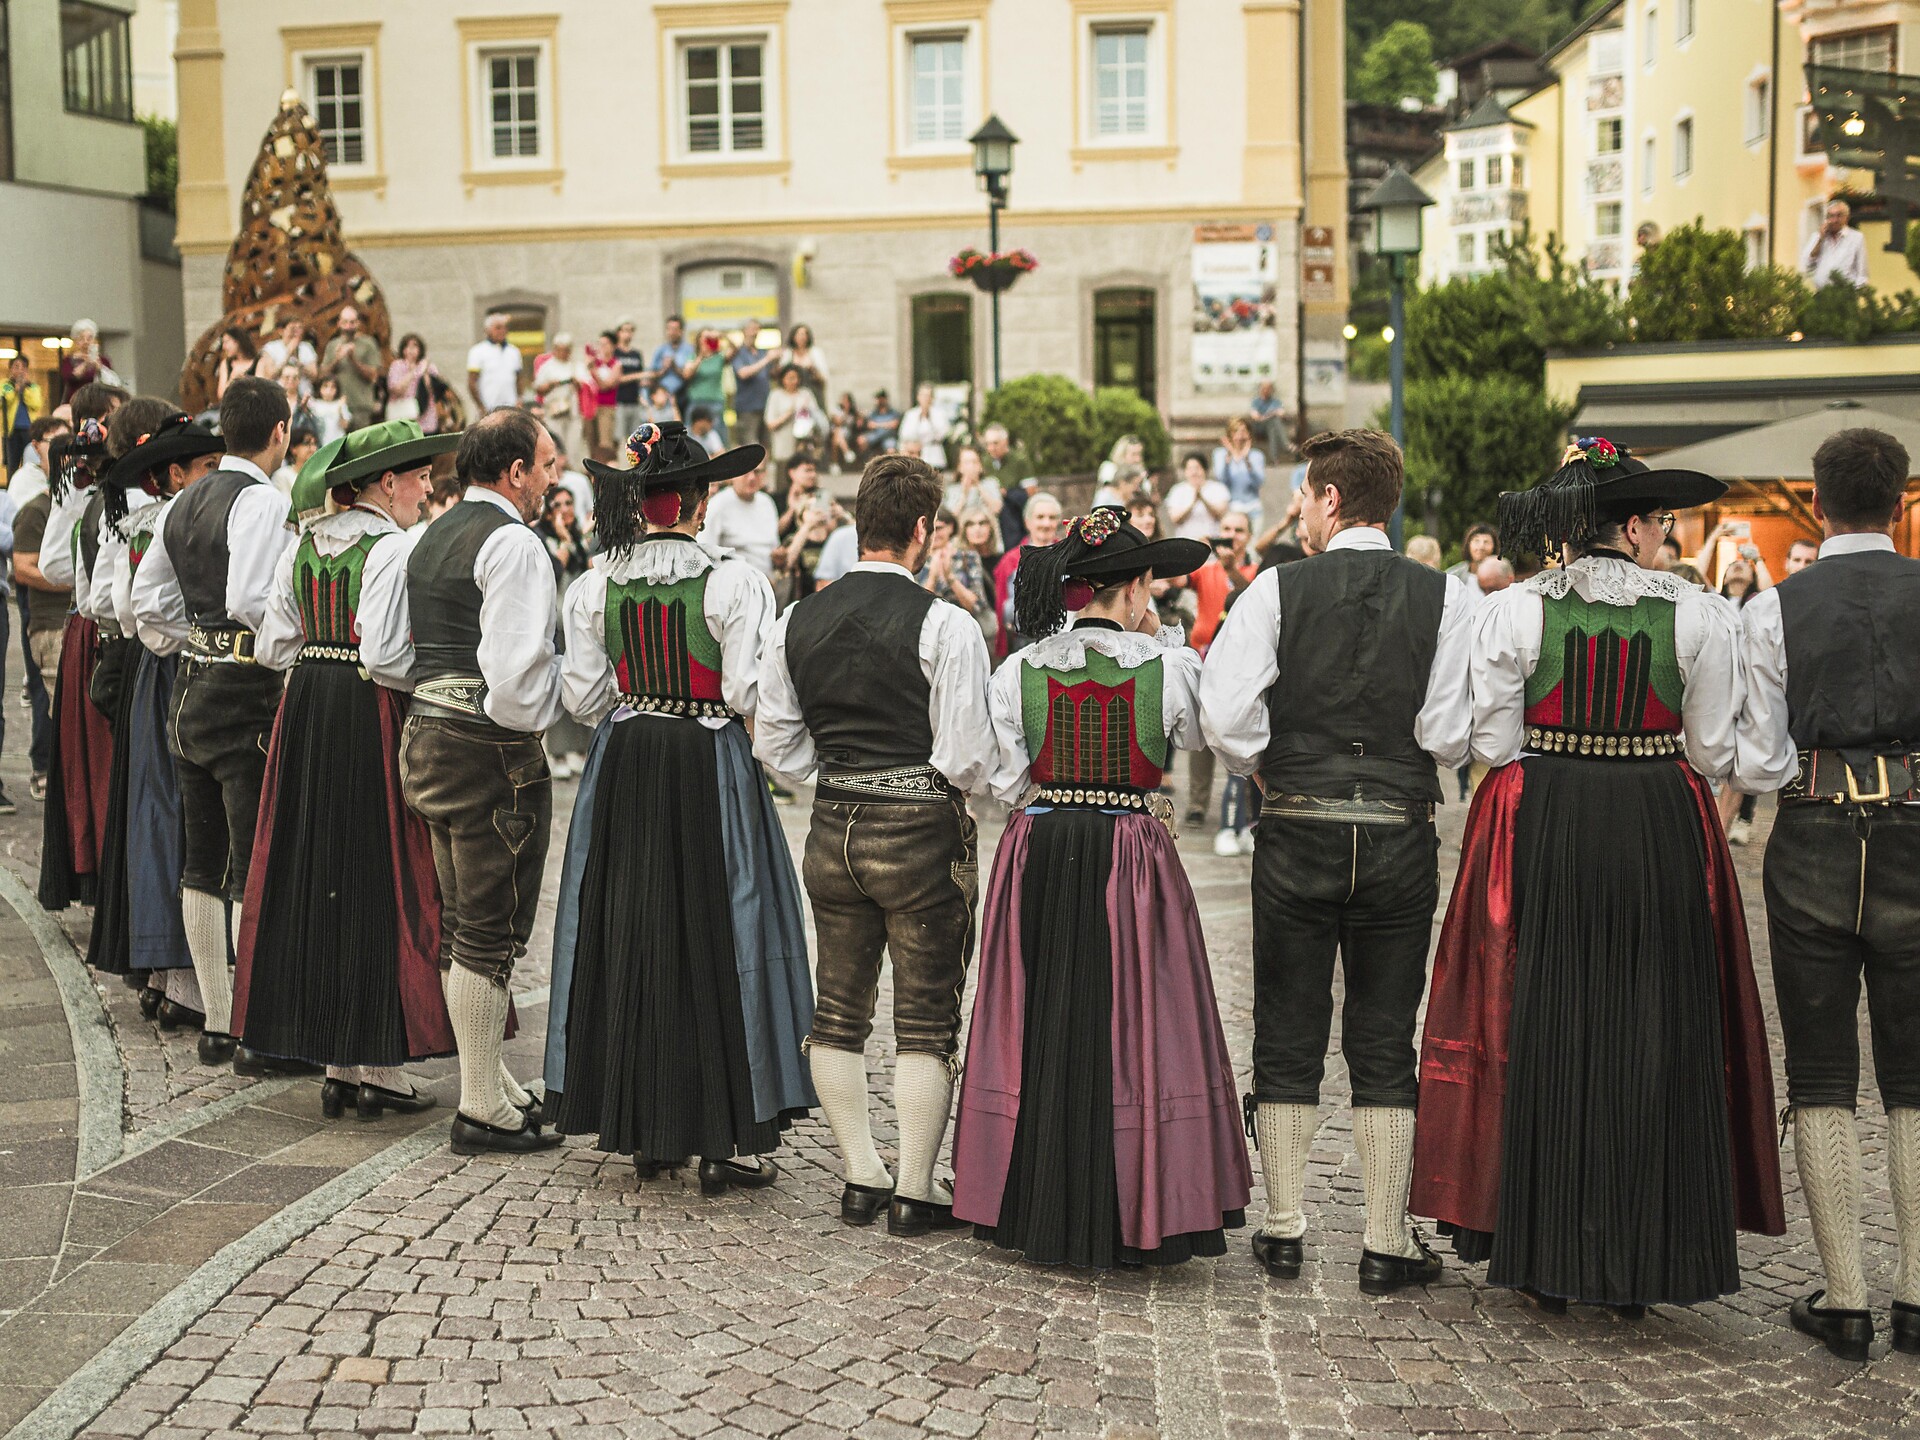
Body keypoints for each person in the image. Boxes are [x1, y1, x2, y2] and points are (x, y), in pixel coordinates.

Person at [1412, 436, 1785, 1315]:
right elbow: (1712, 750)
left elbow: (1493, 745)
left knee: (1550, 1018)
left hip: (1552, 821)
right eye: (1660, 522)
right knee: (1652, 1025)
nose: (1663, 537)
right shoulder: (1698, 615)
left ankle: (1544, 1250)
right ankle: (1642, 1257)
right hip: (1658, 819)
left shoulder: (1514, 611)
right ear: (1636, 526)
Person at [1201, 428, 1473, 1296]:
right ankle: (1387, 1239)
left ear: (1327, 499)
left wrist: (1270, 766)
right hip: (1396, 828)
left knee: (1287, 1022)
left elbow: (1228, 716)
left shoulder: (1276, 588)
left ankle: (1284, 1228)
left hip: (1298, 826)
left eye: (1305, 500)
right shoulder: (1448, 597)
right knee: (1385, 1033)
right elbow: (1447, 734)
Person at [953, 507, 1251, 1268]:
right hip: (1132, 852)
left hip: (1043, 844)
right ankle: (1140, 1198)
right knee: (1138, 1017)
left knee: (1042, 1008)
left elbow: (1005, 777)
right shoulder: (1170, 666)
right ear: (1137, 586)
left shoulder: (1020, 668)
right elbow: (1210, 735)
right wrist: (1160, 648)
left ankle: (1035, 1188)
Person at [543, 421, 816, 1190]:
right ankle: (721, 1134)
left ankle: (645, 1128)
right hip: (707, 760)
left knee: (630, 924)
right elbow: (742, 693)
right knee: (719, 928)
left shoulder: (595, 585)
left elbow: (585, 696)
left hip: (627, 759)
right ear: (697, 501)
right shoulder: (732, 582)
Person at [756, 454, 997, 1236]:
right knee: (926, 1018)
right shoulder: (946, 624)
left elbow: (779, 746)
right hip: (919, 828)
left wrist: (837, 773)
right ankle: (917, 1186)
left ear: (861, 522)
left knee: (839, 1009)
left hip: (832, 824)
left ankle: (863, 1172)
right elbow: (965, 757)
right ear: (924, 530)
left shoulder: (797, 619)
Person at [1735, 427, 1920, 1361]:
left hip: (1812, 830)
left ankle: (1845, 1292)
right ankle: (1919, 1292)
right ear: (1899, 499)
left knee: (1819, 1067)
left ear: (1817, 501)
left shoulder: (1776, 608)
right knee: (1917, 1072)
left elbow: (1760, 754)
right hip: (1918, 830)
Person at [235, 419, 461, 1117]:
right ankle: (376, 1067)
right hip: (367, 708)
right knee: (375, 871)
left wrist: (318, 651)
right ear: (385, 483)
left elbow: (274, 642)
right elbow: (388, 652)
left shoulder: (303, 544)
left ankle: (338, 1062)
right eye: (420, 477)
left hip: (306, 704)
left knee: (317, 865)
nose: (427, 490)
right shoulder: (392, 549)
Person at [379, 407, 565, 1154]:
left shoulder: (425, 535)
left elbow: (387, 654)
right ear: (515, 471)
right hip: (485, 747)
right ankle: (482, 1103)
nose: (553, 480)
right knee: (487, 930)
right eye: (547, 466)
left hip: (423, 733)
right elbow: (518, 685)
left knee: (462, 924)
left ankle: (492, 1082)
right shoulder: (513, 543)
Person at [130, 376, 303, 1074]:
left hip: (194, 683)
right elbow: (250, 598)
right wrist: (275, 648)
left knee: (203, 858)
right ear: (281, 432)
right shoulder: (260, 499)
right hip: (245, 687)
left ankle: (216, 1019)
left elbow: (148, 608)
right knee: (247, 858)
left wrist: (195, 639)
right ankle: (251, 1023)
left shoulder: (183, 500)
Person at [104, 415, 220, 1023]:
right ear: (175, 474)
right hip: (173, 667)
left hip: (169, 665)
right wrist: (196, 638)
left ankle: (168, 975)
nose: (215, 476)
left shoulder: (169, 519)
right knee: (173, 815)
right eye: (205, 468)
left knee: (170, 814)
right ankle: (179, 977)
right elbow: (133, 608)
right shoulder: (166, 522)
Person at [535, 485, 593, 779]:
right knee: (559, 685)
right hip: (555, 621)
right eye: (558, 504)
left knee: (582, 681)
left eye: (569, 503)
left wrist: (575, 539)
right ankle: (558, 751)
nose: (565, 509)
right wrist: (566, 541)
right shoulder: (541, 538)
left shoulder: (579, 538)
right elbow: (556, 571)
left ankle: (581, 748)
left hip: (579, 623)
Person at [992, 491, 1063, 658]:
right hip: (1024, 643)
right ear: (1027, 522)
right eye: (1040, 517)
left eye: (1052, 518)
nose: (1046, 523)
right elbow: (1004, 608)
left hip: (1065, 641)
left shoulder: (1070, 557)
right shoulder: (1010, 561)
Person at [917, 508, 993, 637]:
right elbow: (917, 608)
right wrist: (933, 578)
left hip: (966, 633)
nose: (934, 533)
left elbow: (976, 606)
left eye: (939, 528)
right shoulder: (917, 561)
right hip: (931, 634)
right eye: (929, 528)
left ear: (951, 527)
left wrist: (951, 578)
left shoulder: (968, 557)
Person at [700, 456, 781, 577]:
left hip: (768, 581)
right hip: (733, 583)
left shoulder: (767, 502)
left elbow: (774, 548)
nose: (752, 477)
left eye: (757, 472)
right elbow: (704, 554)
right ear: (733, 475)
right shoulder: (717, 505)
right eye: (745, 472)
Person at [321, 306, 381, 431]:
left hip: (361, 407)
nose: (348, 326)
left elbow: (373, 376)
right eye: (345, 322)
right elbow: (322, 375)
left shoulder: (368, 344)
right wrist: (337, 359)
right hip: (337, 406)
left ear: (358, 323)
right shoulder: (333, 345)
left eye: (352, 322)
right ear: (339, 323)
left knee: (361, 447)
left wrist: (353, 360)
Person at [534, 334, 588, 466]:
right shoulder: (547, 366)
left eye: (566, 349)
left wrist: (576, 383)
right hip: (553, 411)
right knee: (556, 445)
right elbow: (538, 388)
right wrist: (552, 384)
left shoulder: (575, 365)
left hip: (572, 411)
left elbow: (586, 385)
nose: (564, 353)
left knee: (573, 447)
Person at [981, 423, 1036, 551]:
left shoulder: (1019, 460)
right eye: (988, 444)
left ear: (1005, 442)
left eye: (995, 443)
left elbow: (1031, 492)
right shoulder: (984, 461)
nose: (991, 448)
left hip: (1013, 512)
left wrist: (1007, 493)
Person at [764, 365, 825, 471]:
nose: (793, 381)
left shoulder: (805, 394)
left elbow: (816, 417)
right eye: (790, 378)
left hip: (804, 448)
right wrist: (789, 412)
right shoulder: (776, 395)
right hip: (783, 449)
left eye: (796, 378)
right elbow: (770, 424)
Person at [1213, 418, 1267, 534]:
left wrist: (1247, 460)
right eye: (1236, 431)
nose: (1240, 436)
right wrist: (1228, 460)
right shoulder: (1220, 454)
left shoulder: (1256, 455)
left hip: (1253, 507)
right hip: (1231, 508)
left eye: (1243, 431)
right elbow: (1221, 480)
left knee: (1253, 546)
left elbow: (1259, 482)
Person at [729, 318, 775, 453]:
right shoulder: (739, 353)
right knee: (751, 446)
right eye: (752, 329)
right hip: (747, 407)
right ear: (744, 331)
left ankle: (762, 473)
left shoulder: (761, 352)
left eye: (757, 329)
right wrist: (767, 359)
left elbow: (771, 374)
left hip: (765, 406)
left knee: (766, 445)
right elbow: (743, 373)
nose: (755, 333)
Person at [1803, 199, 1870, 291]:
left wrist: (1856, 292)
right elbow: (1808, 264)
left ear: (1847, 218)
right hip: (1821, 294)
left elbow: (1862, 272)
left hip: (1845, 295)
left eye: (1839, 216)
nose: (1834, 220)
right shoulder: (1817, 236)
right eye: (1830, 216)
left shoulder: (1856, 238)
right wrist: (1820, 239)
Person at [1166, 451, 1231, 543]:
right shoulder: (1177, 490)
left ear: (1205, 469)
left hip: (1212, 541)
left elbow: (1221, 514)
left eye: (1197, 468)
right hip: (1186, 542)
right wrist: (1193, 502)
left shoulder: (1218, 488)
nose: (1194, 472)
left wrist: (1202, 499)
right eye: (1189, 468)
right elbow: (1175, 518)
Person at [680, 328, 730, 444]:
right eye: (704, 338)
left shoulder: (719, 357)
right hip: (696, 402)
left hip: (715, 402)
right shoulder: (692, 357)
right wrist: (701, 356)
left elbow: (735, 349)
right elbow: (687, 375)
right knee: (691, 438)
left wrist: (722, 334)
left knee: (718, 436)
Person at [385, 334, 442, 434]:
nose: (411, 350)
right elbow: (396, 389)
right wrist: (412, 372)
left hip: (425, 419)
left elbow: (431, 389)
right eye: (407, 346)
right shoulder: (397, 366)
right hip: (403, 415)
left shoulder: (428, 366)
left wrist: (424, 372)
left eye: (414, 346)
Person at [467, 313, 523, 412]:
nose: (502, 331)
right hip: (489, 408)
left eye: (504, 328)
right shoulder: (477, 351)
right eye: (498, 328)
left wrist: (519, 399)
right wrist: (481, 406)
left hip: (511, 408)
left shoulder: (514, 351)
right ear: (487, 330)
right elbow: (472, 382)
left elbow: (519, 379)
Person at [3, 353, 44, 474]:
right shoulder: (5, 385)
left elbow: (36, 404)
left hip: (29, 430)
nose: (20, 370)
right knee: (12, 464)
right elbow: (4, 401)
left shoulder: (33, 387)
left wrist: (24, 389)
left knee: (30, 462)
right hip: (11, 431)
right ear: (11, 369)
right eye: (16, 366)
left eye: (23, 367)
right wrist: (15, 389)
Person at [258, 317, 318, 396]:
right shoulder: (270, 348)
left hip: (304, 394)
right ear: (281, 331)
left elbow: (314, 376)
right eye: (292, 329)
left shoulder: (307, 347)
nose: (296, 333)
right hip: (279, 395)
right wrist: (288, 355)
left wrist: (298, 361)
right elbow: (270, 375)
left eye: (299, 329)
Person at [648, 315, 695, 412]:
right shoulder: (660, 350)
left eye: (675, 329)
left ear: (681, 331)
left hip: (683, 395)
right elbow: (652, 374)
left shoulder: (689, 350)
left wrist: (674, 366)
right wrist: (664, 369)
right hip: (663, 395)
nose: (671, 332)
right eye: (669, 329)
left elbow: (691, 376)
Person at [59, 320, 116, 399]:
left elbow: (110, 382)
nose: (86, 342)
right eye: (81, 338)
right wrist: (86, 364)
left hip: (99, 401)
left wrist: (99, 368)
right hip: (76, 401)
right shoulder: (68, 360)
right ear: (76, 341)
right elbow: (69, 378)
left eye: (89, 338)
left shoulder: (104, 360)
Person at [587, 333, 622, 462]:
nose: (601, 347)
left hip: (606, 407)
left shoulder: (616, 364)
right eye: (600, 344)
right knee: (592, 442)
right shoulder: (595, 362)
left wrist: (593, 371)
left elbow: (606, 385)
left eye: (605, 344)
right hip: (591, 407)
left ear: (613, 346)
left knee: (605, 444)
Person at [897, 384, 948, 470]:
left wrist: (928, 417)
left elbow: (942, 434)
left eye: (928, 395)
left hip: (934, 455)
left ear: (932, 398)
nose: (925, 398)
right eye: (923, 395)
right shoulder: (911, 414)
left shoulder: (939, 414)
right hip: (915, 455)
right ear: (918, 397)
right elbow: (904, 435)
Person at [612, 320, 647, 443]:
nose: (628, 334)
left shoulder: (636, 354)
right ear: (618, 333)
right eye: (625, 330)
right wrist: (638, 376)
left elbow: (641, 379)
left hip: (634, 401)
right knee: (619, 438)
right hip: (619, 401)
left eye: (631, 330)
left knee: (635, 439)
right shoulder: (614, 353)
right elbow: (616, 379)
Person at [776, 323, 829, 397]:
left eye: (804, 334)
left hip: (813, 391)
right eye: (799, 334)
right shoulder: (788, 353)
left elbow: (824, 377)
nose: (802, 337)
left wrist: (813, 370)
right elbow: (780, 372)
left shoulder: (815, 353)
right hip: (793, 394)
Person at [212, 328, 258, 406]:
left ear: (237, 341)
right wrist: (232, 378)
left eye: (226, 342)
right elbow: (221, 395)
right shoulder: (226, 364)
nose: (224, 347)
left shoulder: (257, 362)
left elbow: (261, 389)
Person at [1447, 524, 1498, 593]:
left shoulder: (1501, 577)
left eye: (1486, 542)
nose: (1481, 547)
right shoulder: (1454, 575)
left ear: (1494, 547)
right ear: (1468, 545)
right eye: (1476, 541)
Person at [1249, 380, 1288, 461]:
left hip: (1271, 427)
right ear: (1260, 389)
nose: (1266, 390)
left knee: (1273, 427)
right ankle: (1285, 445)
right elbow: (1256, 417)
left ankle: (1274, 458)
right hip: (1259, 428)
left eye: (1268, 388)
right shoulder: (1256, 402)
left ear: (1272, 390)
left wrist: (1266, 416)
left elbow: (1282, 413)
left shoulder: (1275, 401)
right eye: (1264, 388)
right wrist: (1272, 414)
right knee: (1274, 421)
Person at [307, 375, 351, 445]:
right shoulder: (314, 404)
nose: (329, 390)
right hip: (320, 442)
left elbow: (345, 426)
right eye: (325, 386)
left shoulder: (340, 404)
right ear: (320, 388)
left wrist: (340, 409)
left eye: (332, 387)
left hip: (337, 442)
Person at [829, 392, 865, 472]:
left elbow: (859, 424)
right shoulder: (837, 410)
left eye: (847, 401)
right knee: (837, 435)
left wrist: (859, 418)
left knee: (837, 438)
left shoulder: (854, 412)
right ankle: (847, 452)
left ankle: (835, 464)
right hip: (836, 432)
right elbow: (838, 422)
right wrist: (846, 412)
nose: (845, 403)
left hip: (849, 433)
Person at [864, 390, 901, 457]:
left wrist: (877, 425)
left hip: (889, 437)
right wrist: (886, 425)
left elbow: (894, 425)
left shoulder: (893, 412)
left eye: (880, 399)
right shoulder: (874, 413)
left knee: (891, 450)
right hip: (876, 435)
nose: (878, 401)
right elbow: (870, 425)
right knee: (861, 441)